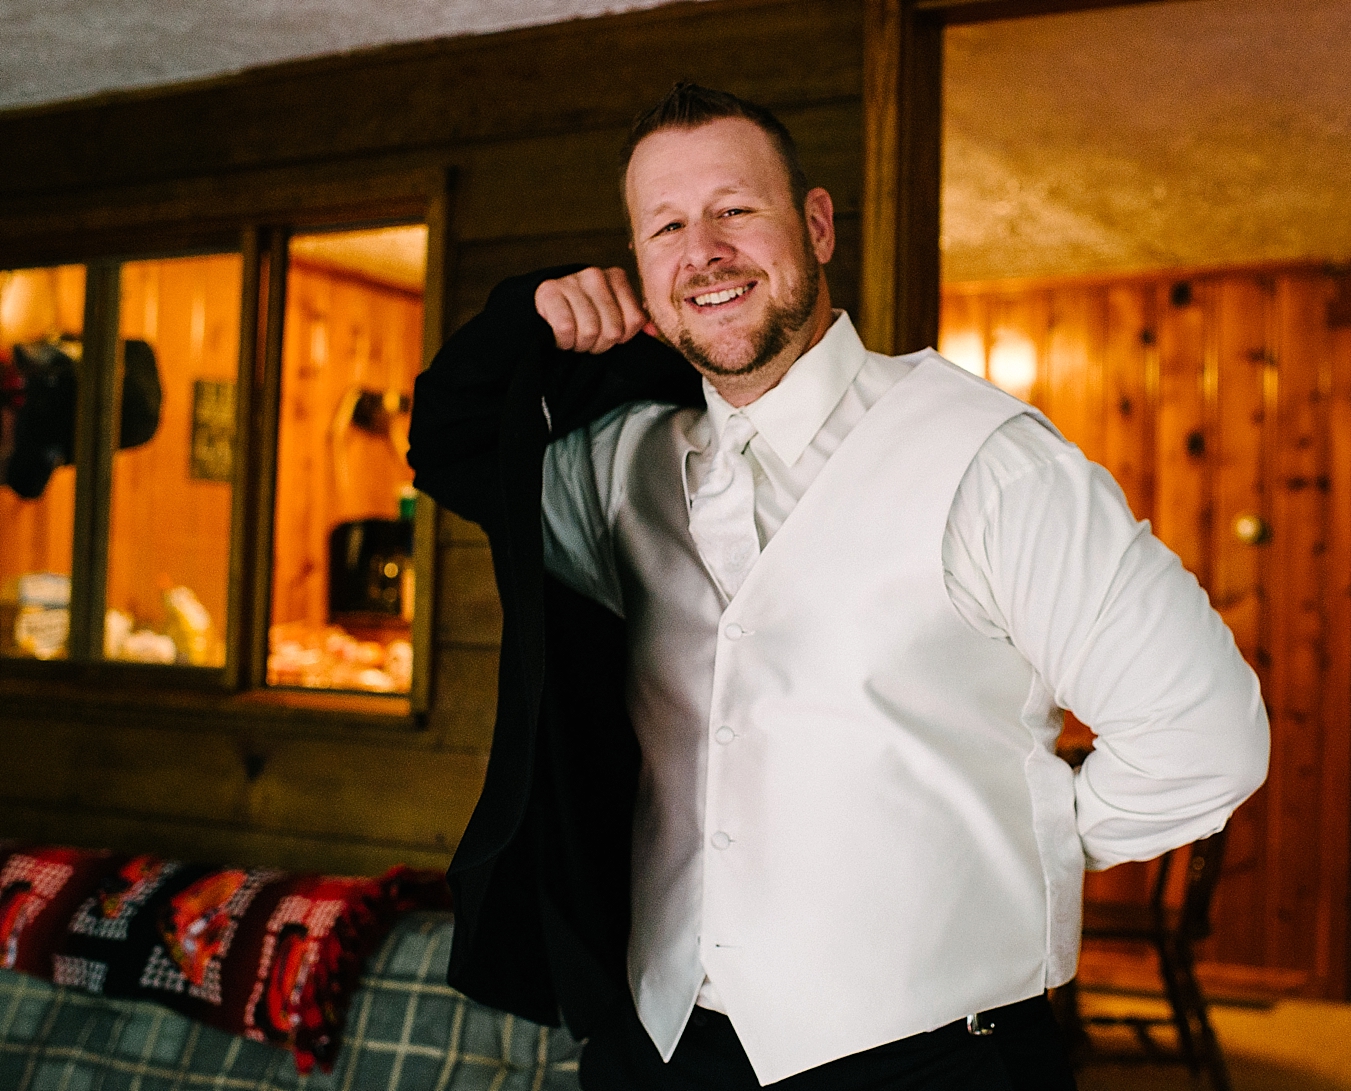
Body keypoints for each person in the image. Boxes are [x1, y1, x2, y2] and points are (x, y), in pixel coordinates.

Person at [408, 82, 1269, 1091]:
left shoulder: (989, 461)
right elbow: (452, 448)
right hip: (663, 1048)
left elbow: (1203, 734)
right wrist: (522, 319)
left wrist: (1025, 844)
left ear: (816, 226)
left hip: (936, 1058)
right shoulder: (620, 466)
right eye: (667, 227)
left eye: (734, 209)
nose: (703, 250)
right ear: (640, 269)